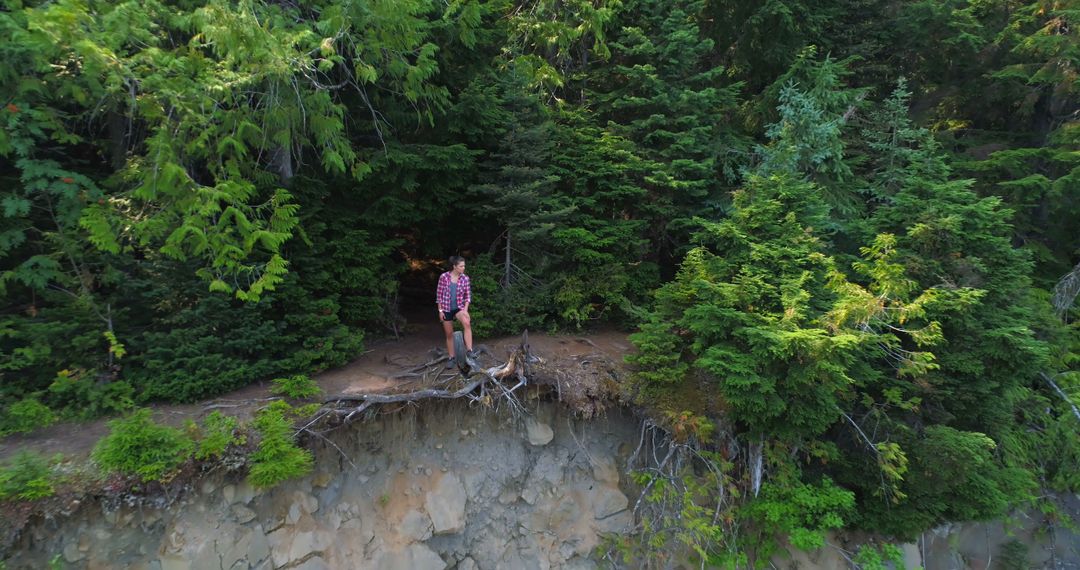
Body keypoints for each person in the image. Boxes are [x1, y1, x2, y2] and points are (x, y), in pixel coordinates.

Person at [436, 255, 475, 367]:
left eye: (464, 266)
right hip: (446, 308)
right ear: (455, 267)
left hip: (459, 308)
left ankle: (470, 350)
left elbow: (468, 296)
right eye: (461, 266)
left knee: (467, 323)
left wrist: (465, 310)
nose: (463, 268)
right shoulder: (444, 277)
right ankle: (451, 358)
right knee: (449, 334)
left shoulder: (465, 278)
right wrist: (440, 310)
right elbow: (439, 295)